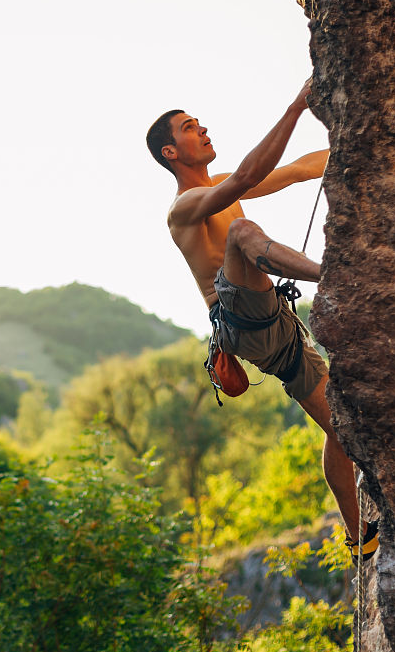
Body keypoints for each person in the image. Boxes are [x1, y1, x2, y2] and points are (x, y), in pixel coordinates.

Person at [145, 81, 377, 562]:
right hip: (235, 314)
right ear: (171, 152)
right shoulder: (184, 208)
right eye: (190, 127)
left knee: (342, 428)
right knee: (243, 232)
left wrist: (357, 145)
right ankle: (330, 275)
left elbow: (294, 170)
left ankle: (358, 538)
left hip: (273, 325)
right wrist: (295, 108)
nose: (203, 128)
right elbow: (249, 175)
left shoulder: (225, 184)